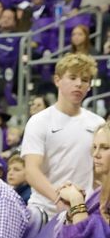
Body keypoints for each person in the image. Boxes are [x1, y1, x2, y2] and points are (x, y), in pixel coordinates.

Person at [21, 53, 103, 218]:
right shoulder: (39, 121)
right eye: (72, 77)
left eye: (85, 80)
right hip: (44, 211)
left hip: (84, 211)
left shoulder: (97, 124)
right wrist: (59, 199)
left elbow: (100, 172)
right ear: (57, 80)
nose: (79, 84)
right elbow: (31, 170)